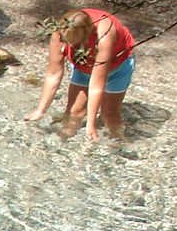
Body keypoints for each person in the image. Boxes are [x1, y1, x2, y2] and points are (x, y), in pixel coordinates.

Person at [24, 9, 135, 143]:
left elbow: (96, 86)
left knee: (109, 113)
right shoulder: (60, 33)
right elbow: (53, 74)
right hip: (83, 66)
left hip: (117, 67)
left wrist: (91, 123)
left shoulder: (104, 36)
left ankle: (117, 143)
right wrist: (40, 110)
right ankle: (61, 143)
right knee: (74, 111)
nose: (68, 45)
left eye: (73, 43)